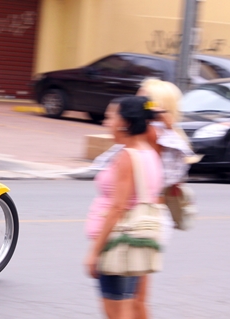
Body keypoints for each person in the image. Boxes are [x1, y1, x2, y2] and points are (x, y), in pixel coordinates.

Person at [84, 96, 164, 319]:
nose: (106, 122)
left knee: (117, 313)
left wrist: (94, 252)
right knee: (128, 308)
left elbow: (118, 208)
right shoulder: (150, 153)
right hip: (133, 241)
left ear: (124, 122)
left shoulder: (128, 157)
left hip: (117, 245)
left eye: (110, 116)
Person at [133, 78, 196, 319]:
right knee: (129, 294)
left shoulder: (163, 139)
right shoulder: (149, 134)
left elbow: (159, 183)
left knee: (134, 296)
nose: (135, 104)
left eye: (142, 101)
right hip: (142, 217)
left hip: (148, 220)